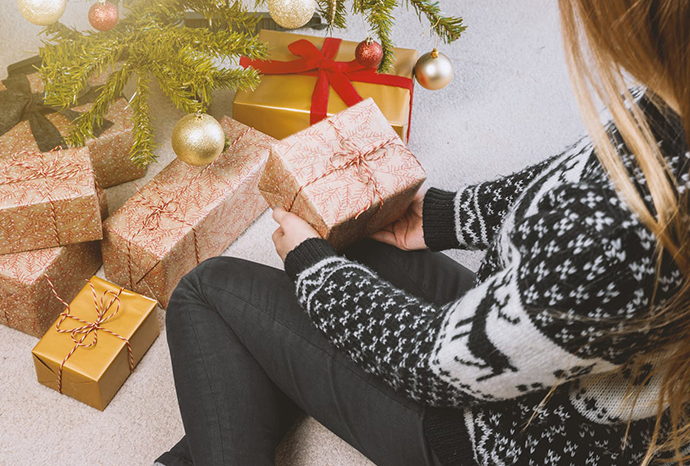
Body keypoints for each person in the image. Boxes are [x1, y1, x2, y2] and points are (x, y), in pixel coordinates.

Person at [155, 0, 690, 465]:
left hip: (497, 439)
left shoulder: (627, 240)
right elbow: (581, 180)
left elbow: (433, 364)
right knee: (352, 241)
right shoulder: (677, 98)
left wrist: (314, 269)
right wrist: (442, 215)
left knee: (206, 291)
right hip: (544, 359)